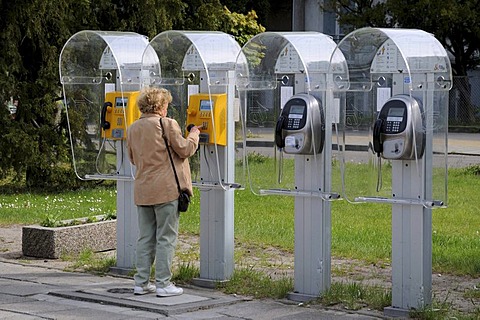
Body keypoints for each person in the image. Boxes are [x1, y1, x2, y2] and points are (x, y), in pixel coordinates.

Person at [126, 87, 201, 297]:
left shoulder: (132, 128)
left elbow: (133, 158)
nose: (167, 107)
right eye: (166, 104)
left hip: (143, 190)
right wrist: (194, 135)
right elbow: (185, 149)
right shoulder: (166, 124)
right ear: (159, 106)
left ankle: (140, 283)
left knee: (145, 237)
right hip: (166, 190)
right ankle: (163, 284)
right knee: (166, 237)